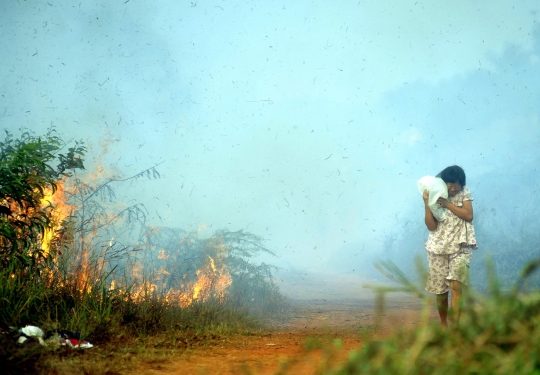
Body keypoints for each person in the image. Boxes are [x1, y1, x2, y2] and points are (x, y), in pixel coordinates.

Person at [422, 165, 477, 326]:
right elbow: (431, 227)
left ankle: (457, 327)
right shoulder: (435, 195)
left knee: (456, 286)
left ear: (462, 184)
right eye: (449, 184)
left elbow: (468, 215)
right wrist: (426, 203)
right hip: (437, 249)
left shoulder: (464, 193)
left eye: (456, 184)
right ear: (443, 183)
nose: (453, 188)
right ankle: (444, 325)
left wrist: (447, 204)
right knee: (441, 291)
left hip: (460, 248)